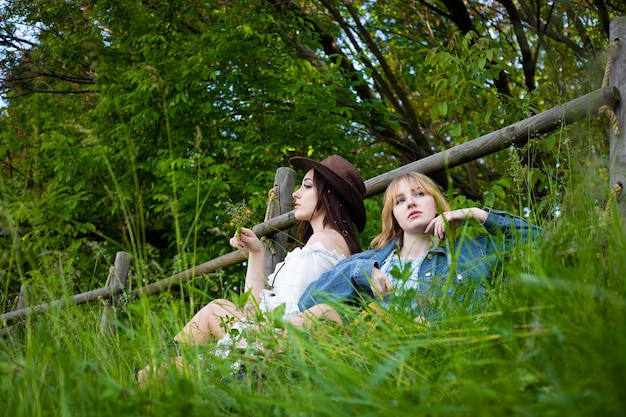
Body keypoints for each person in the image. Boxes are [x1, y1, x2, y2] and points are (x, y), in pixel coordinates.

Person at [137, 154, 366, 385]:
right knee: (216, 308)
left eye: (306, 186)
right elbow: (254, 309)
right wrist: (257, 253)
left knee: (153, 374)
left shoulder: (325, 244)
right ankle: (160, 366)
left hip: (270, 343)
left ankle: (157, 370)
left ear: (330, 194)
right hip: (265, 333)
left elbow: (284, 315)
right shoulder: (318, 245)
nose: (296, 193)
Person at [293, 172, 542, 326]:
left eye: (419, 194)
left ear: (436, 205)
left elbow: (539, 241)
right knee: (323, 313)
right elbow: (308, 302)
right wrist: (362, 272)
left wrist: (476, 214)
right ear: (394, 216)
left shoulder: (471, 252)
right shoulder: (370, 260)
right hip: (365, 342)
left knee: (406, 320)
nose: (410, 202)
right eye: (400, 201)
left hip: (429, 342)